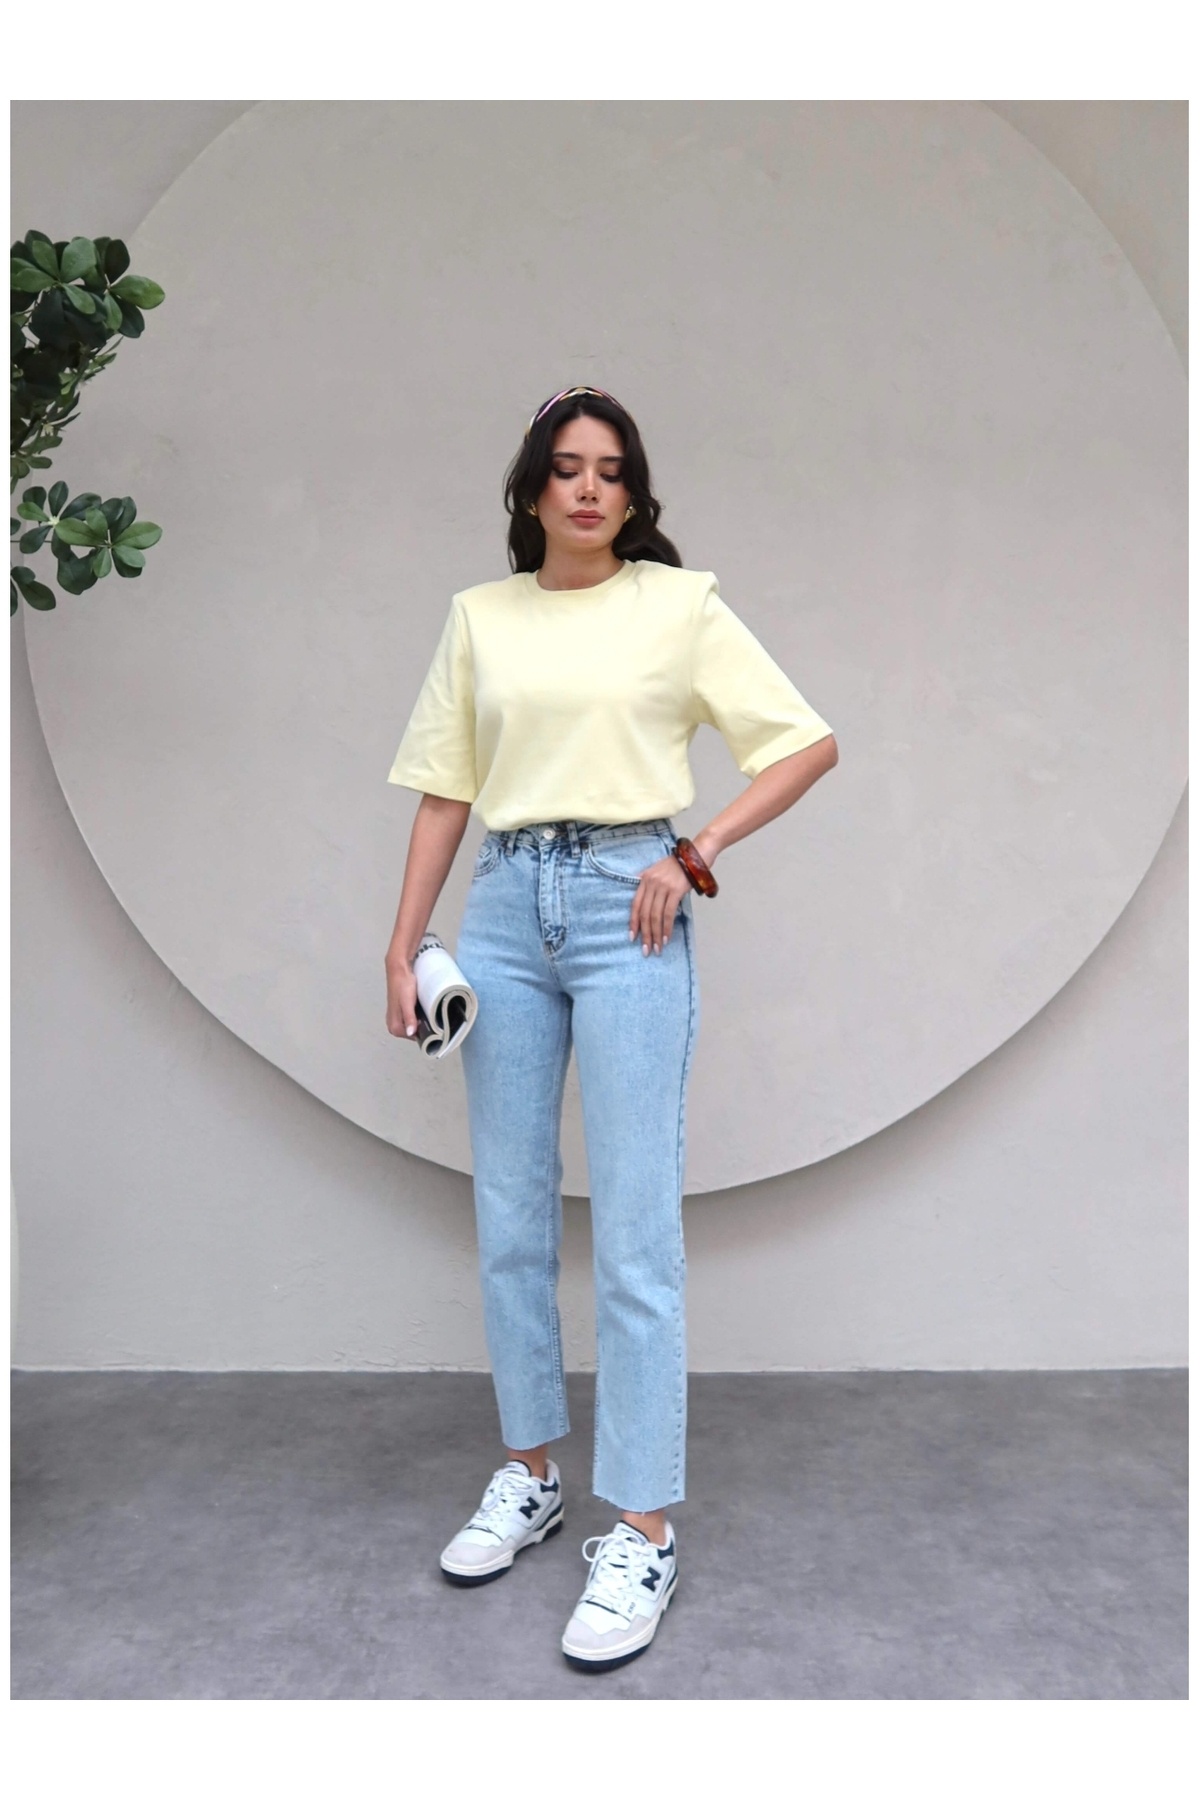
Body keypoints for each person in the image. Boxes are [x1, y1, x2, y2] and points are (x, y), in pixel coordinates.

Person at [383, 385, 838, 1672]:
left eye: (613, 470)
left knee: (635, 1229)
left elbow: (803, 744)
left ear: (634, 494)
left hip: (628, 904)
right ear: (532, 488)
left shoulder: (678, 608)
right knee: (511, 1213)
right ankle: (530, 1474)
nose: (590, 488)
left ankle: (640, 1527)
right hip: (502, 909)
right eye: (568, 468)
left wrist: (696, 851)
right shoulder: (480, 618)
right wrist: (403, 944)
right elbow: (444, 792)